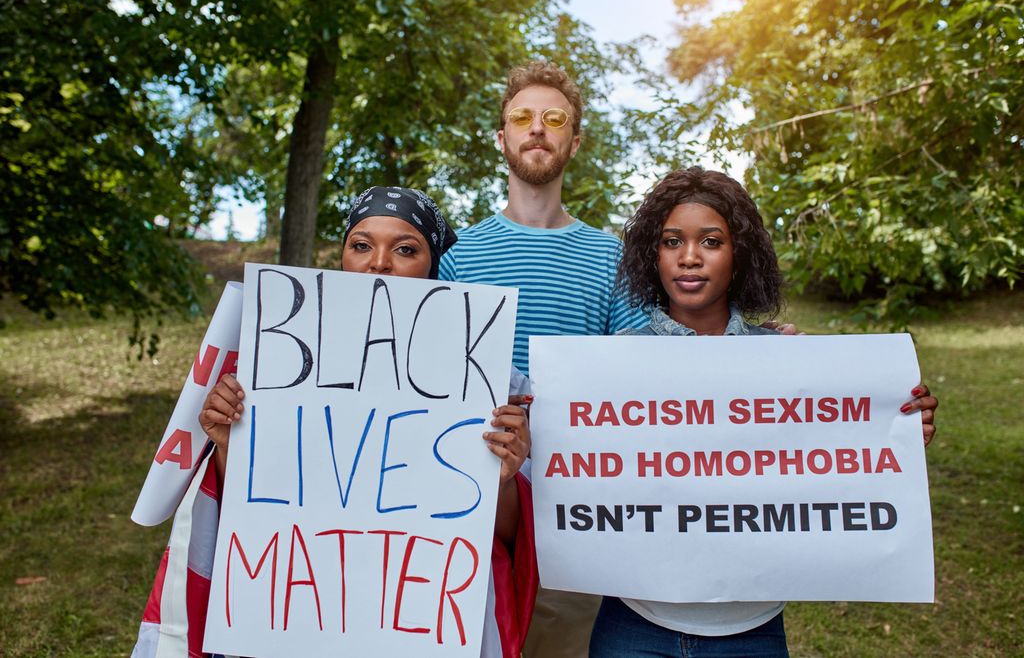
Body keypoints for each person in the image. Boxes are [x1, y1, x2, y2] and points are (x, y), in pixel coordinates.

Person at [136, 187, 536, 658]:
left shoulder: (487, 376)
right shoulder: (281, 357)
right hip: (308, 604)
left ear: (431, 266)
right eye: (361, 245)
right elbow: (252, 504)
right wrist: (230, 441)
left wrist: (505, 477)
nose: (379, 263)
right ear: (344, 256)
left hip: (422, 610)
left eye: (405, 249)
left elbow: (510, 539)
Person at [588, 166, 939, 657]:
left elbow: (828, 462)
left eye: (710, 242)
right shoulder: (606, 363)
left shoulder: (786, 357)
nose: (689, 258)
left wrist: (894, 429)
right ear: (654, 254)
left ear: (739, 256)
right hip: (634, 622)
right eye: (672, 242)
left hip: (751, 630)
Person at [439, 61, 651, 657]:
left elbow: (638, 383)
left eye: (554, 119)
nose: (538, 128)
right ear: (501, 137)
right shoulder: (458, 259)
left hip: (569, 511)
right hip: (466, 507)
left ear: (574, 141)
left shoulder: (614, 259)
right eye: (522, 117)